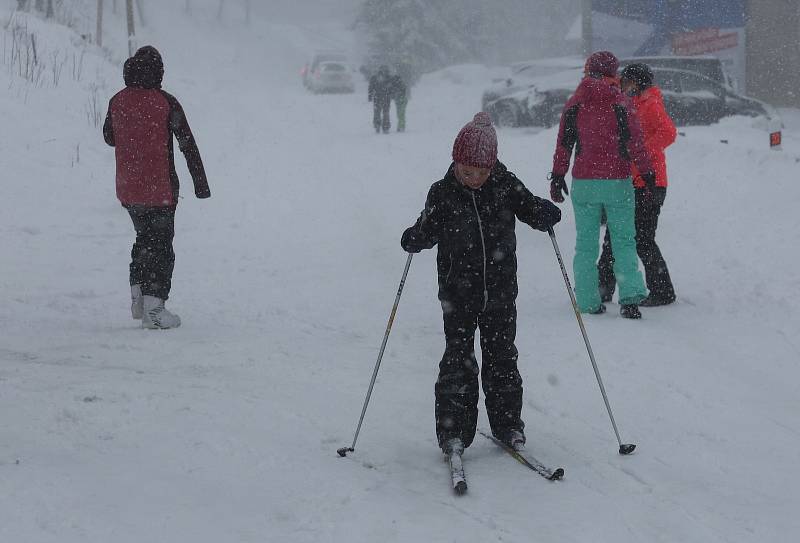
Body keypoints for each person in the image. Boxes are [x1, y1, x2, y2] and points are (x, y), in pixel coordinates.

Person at [401, 112, 562, 457]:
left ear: (492, 166)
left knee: (502, 357)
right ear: (455, 162)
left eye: (479, 172)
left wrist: (543, 213)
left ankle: (508, 426)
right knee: (458, 359)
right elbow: (427, 228)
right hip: (457, 294)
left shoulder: (505, 184)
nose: (472, 177)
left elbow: (529, 207)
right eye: (465, 170)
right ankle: (453, 431)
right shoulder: (442, 192)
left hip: (501, 293)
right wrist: (415, 237)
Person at [103, 45, 210, 329]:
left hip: (128, 190)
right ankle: (154, 309)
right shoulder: (166, 102)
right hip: (160, 190)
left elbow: (109, 137)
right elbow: (187, 143)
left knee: (143, 240)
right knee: (161, 246)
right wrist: (201, 185)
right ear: (158, 71)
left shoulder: (117, 100)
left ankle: (138, 296)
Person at [549, 51, 653, 319]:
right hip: (617, 181)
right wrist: (647, 173)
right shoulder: (621, 101)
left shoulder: (575, 102)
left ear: (587, 70)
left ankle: (586, 300)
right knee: (623, 241)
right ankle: (629, 298)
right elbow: (635, 141)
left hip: (583, 182)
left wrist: (558, 175)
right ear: (613, 72)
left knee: (585, 244)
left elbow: (564, 143)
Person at [597, 63, 677, 307]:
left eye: (628, 81)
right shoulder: (630, 104)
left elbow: (669, 133)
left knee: (642, 238)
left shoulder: (650, 104)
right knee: (614, 236)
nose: (624, 85)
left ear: (639, 82)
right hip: (628, 183)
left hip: (649, 184)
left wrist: (639, 151)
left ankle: (663, 292)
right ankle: (603, 288)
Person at [368, 65, 392, 134]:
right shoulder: (388, 77)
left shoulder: (374, 77)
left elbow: (371, 87)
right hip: (386, 97)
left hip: (377, 97)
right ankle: (385, 127)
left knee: (377, 112)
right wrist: (391, 95)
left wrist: (370, 96)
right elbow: (391, 88)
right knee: (386, 112)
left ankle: (377, 125)